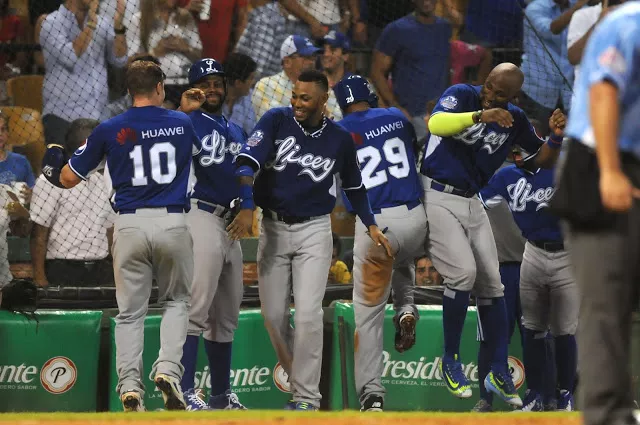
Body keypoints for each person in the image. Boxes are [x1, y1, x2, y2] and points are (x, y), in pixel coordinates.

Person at [41, 60, 200, 412]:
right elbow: (197, 149)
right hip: (172, 222)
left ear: (129, 91)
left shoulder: (109, 128)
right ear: (160, 86)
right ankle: (169, 371)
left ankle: (130, 387)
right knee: (176, 302)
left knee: (130, 314)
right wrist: (184, 111)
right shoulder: (182, 123)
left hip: (128, 225)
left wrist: (51, 159)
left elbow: (66, 179)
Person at [228, 69, 392, 411]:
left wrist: (372, 224)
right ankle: (301, 383)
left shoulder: (339, 138)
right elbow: (246, 161)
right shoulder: (276, 120)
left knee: (307, 316)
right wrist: (246, 206)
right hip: (272, 227)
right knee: (273, 317)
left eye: (305, 98)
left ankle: (307, 398)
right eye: (294, 95)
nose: (297, 103)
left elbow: (354, 186)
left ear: (322, 100)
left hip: (314, 231)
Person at [421, 62, 567, 406]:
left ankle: (499, 369)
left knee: (493, 284)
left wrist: (556, 137)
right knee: (463, 273)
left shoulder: (514, 119)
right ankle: (451, 360)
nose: (490, 96)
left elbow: (538, 161)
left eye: (500, 94)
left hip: (471, 201)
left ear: (513, 98)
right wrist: (479, 116)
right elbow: (436, 124)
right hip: (435, 193)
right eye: (489, 87)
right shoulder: (462, 95)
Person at [561, 4, 640, 425]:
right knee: (605, 307)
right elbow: (604, 90)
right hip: (600, 163)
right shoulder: (628, 24)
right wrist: (610, 171)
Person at [333, 74, 427, 412]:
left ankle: (372, 395)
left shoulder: (338, 130)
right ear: (369, 96)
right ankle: (405, 307)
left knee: (369, 317)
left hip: (376, 226)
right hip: (417, 219)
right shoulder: (396, 117)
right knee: (402, 256)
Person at [175, 58, 247, 411]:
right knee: (196, 309)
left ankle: (220, 395)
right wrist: (181, 110)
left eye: (218, 82)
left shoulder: (235, 130)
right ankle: (185, 391)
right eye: (205, 83)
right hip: (200, 215)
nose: (213, 89)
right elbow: (164, 137)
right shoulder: (186, 123)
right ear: (194, 90)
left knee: (226, 316)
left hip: (231, 223)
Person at [481, 163, 578, 411]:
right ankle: (533, 394)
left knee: (563, 330)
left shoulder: (564, 168)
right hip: (532, 252)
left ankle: (565, 394)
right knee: (532, 328)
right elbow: (477, 199)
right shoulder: (506, 175)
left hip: (567, 253)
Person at [30, 118, 115, 288]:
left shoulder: (102, 180)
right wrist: (39, 278)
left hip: (101, 269)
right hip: (63, 269)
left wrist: (115, 271)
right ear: (86, 145)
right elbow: (39, 233)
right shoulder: (50, 181)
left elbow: (110, 231)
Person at [40, 0, 128, 145]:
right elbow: (70, 57)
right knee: (66, 167)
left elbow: (120, 60)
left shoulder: (102, 23)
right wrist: (90, 25)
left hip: (100, 116)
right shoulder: (51, 23)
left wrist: (118, 27)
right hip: (63, 117)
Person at [370, 0, 451, 145]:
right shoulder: (397, 29)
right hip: (411, 117)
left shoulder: (444, 27)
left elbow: (445, 68)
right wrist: (395, 107)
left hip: (441, 115)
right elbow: (376, 72)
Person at [222, 52, 258, 135]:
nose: (253, 82)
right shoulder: (213, 98)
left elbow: (251, 132)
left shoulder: (248, 97)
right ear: (238, 83)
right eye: (251, 78)